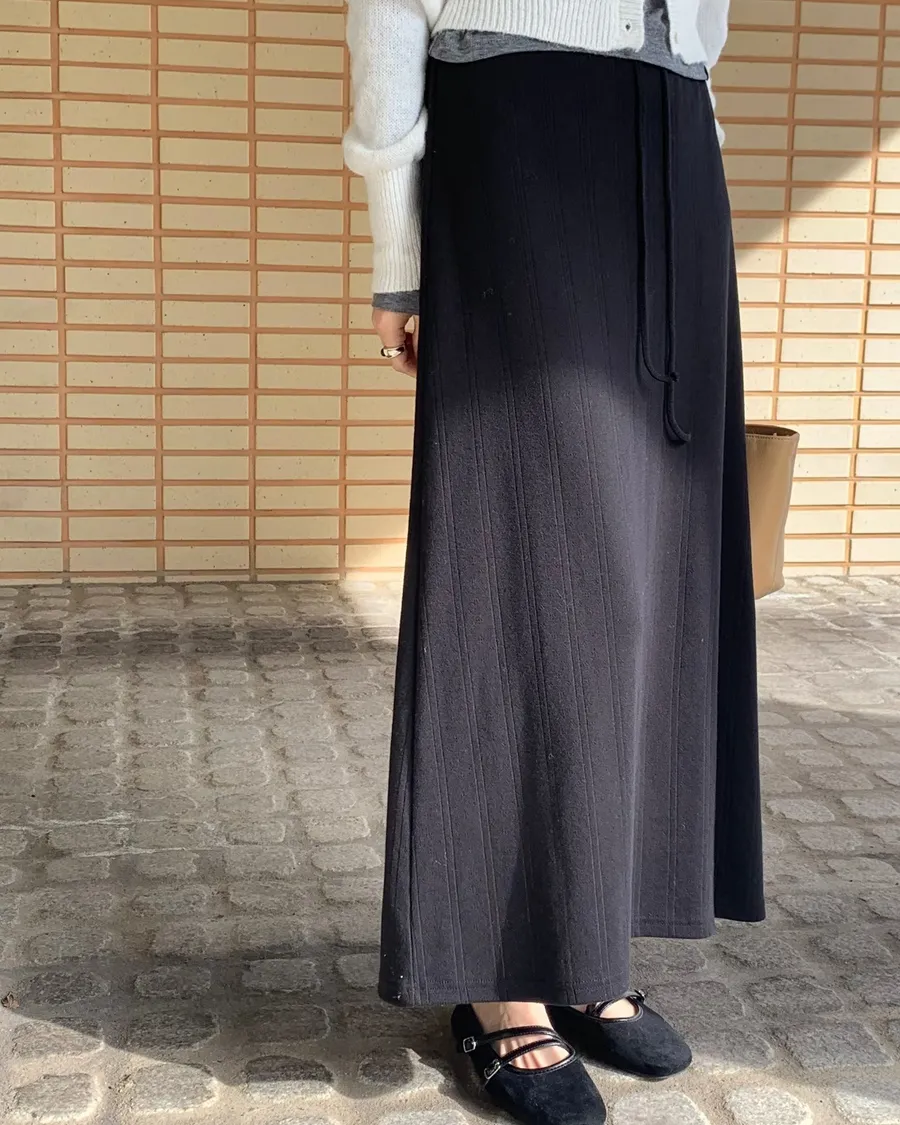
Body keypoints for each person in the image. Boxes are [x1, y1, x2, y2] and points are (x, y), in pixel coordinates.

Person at [343, 2, 765, 1123]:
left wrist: (697, 159)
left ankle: (588, 941)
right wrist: (400, 258)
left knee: (651, 585)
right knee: (521, 566)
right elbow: (387, 18)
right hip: (519, 134)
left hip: (675, 144)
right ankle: (498, 978)